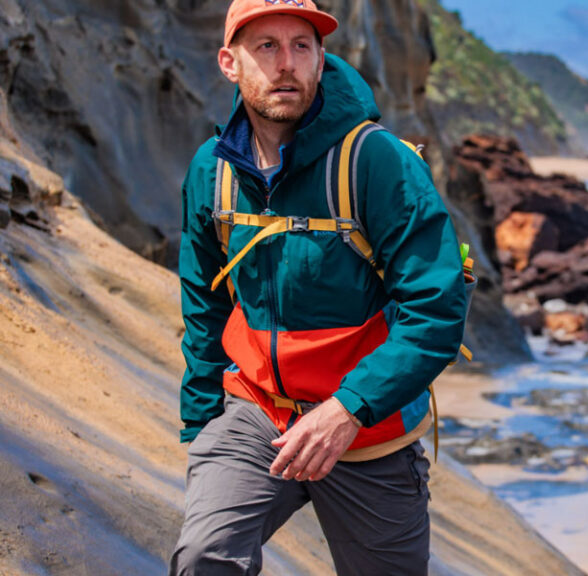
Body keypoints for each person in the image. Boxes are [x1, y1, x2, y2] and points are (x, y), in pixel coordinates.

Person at [169, 0, 467, 574]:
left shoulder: (377, 161)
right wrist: (204, 417)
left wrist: (349, 408)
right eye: (267, 47)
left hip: (367, 428)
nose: (287, 64)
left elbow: (437, 307)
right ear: (229, 63)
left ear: (321, 56)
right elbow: (203, 300)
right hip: (259, 413)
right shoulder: (212, 169)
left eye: (301, 46)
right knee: (205, 557)